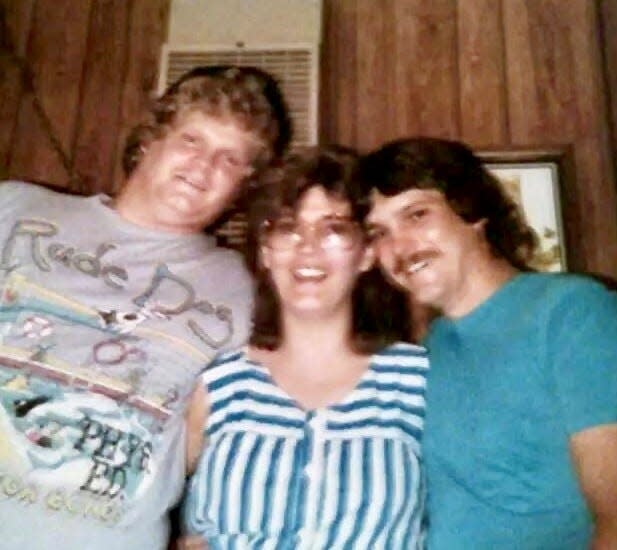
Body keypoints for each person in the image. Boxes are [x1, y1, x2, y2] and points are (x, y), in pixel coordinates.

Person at [0, 65, 290, 549]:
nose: (203, 167)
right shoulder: (16, 210)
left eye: (229, 159)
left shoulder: (248, 293)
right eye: (192, 140)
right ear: (149, 141)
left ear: (244, 185)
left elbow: (231, 447)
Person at [354, 136, 617, 549]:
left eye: (417, 215)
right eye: (379, 232)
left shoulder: (573, 313)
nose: (399, 248)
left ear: (471, 212)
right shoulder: (425, 352)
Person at [181, 146, 429, 549]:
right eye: (287, 228)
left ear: (366, 253)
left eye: (334, 229)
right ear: (265, 253)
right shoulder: (219, 385)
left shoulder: (416, 380)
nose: (308, 247)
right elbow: (143, 508)